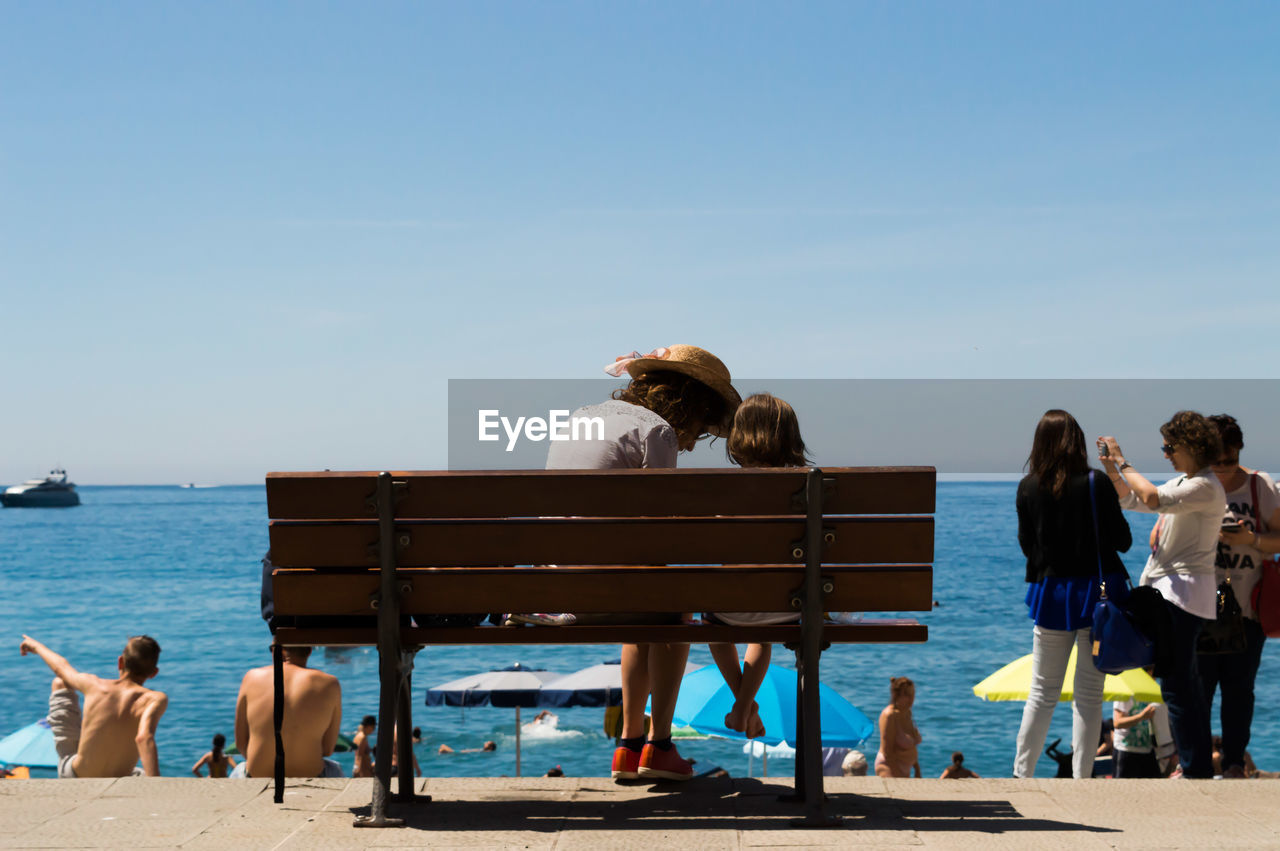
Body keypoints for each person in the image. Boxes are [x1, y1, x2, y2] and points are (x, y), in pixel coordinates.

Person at [544, 345, 740, 782]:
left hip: (557, 589)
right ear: (690, 405)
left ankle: (629, 747)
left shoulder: (579, 417)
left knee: (650, 597)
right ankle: (660, 746)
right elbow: (659, 536)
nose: (695, 438)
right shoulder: (658, 432)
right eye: (702, 424)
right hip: (609, 589)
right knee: (673, 607)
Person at [1099, 410, 1226, 779]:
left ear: (1191, 447)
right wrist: (1112, 469)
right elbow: (1133, 500)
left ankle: (1195, 768)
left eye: (1170, 446)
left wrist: (1124, 460)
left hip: (1182, 596)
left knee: (1178, 687)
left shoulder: (1203, 486)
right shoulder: (1189, 483)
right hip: (1175, 595)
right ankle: (1194, 765)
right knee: (1182, 684)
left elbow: (1151, 497)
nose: (1166, 453)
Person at [1013, 410, 1133, 779]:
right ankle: (1082, 778)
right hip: (1099, 596)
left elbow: (1027, 547)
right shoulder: (1095, 482)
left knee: (1042, 692)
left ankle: (1022, 773)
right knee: (1090, 694)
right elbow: (1123, 541)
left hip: (1052, 595)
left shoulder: (1028, 487)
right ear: (1077, 441)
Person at [706, 393, 809, 741]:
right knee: (760, 633)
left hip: (731, 609)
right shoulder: (808, 486)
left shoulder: (725, 490)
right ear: (790, 438)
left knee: (716, 632)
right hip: (791, 606)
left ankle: (744, 706)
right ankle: (742, 709)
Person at [1199, 415, 1280, 778]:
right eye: (1217, 460)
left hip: (1248, 608)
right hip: (1200, 607)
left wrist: (1252, 541)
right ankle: (1195, 764)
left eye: (1230, 460)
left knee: (1239, 692)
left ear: (1239, 450)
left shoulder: (1260, 486)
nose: (1224, 469)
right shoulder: (1196, 484)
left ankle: (1234, 762)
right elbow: (1160, 539)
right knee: (1197, 691)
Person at [19, 634, 167, 778]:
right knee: (139, 773)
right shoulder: (154, 698)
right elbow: (144, 737)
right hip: (120, 777)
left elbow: (61, 667)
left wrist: (36, 646)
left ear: (120, 662)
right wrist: (155, 785)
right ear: (154, 673)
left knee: (60, 682)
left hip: (75, 774)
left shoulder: (94, 684)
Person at [231, 645, 343, 778]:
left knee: (239, 769)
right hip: (311, 775)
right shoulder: (330, 683)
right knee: (334, 768)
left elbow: (241, 744)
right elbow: (327, 749)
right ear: (309, 652)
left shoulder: (251, 677)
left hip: (257, 776)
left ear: (279, 651)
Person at [1112, 696, 1172, 778]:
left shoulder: (1151, 693)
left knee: (1154, 787)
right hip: (1126, 750)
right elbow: (1117, 723)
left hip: (1148, 750)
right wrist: (1141, 717)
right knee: (1123, 788)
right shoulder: (1125, 693)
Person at [875, 677, 922, 778]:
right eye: (907, 695)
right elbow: (888, 752)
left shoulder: (907, 712)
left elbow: (912, 746)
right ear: (896, 695)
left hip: (906, 768)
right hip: (888, 766)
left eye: (913, 694)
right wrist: (898, 775)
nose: (911, 698)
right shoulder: (889, 715)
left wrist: (917, 769)